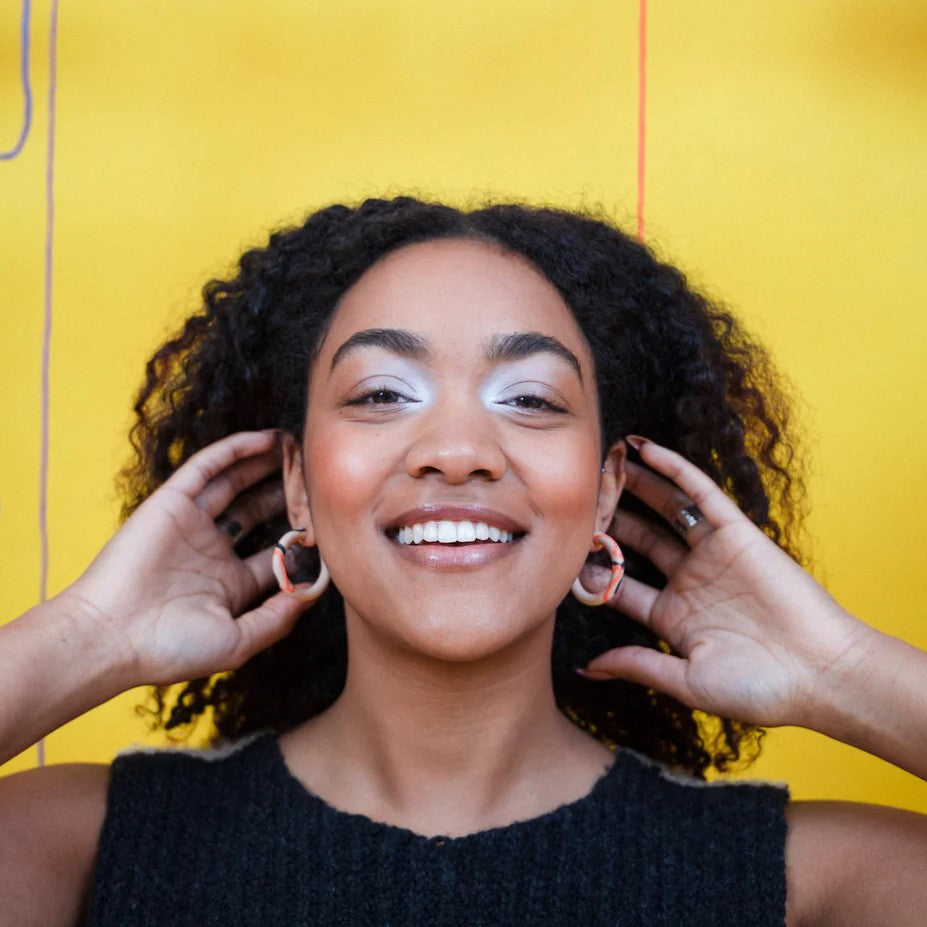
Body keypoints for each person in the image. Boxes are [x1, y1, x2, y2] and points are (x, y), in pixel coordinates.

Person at [0, 197, 924, 926]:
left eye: (528, 397)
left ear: (606, 490)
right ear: (298, 482)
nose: (456, 447)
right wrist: (85, 640)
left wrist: (841, 673)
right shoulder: (79, 846)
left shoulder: (806, 882)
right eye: (380, 392)